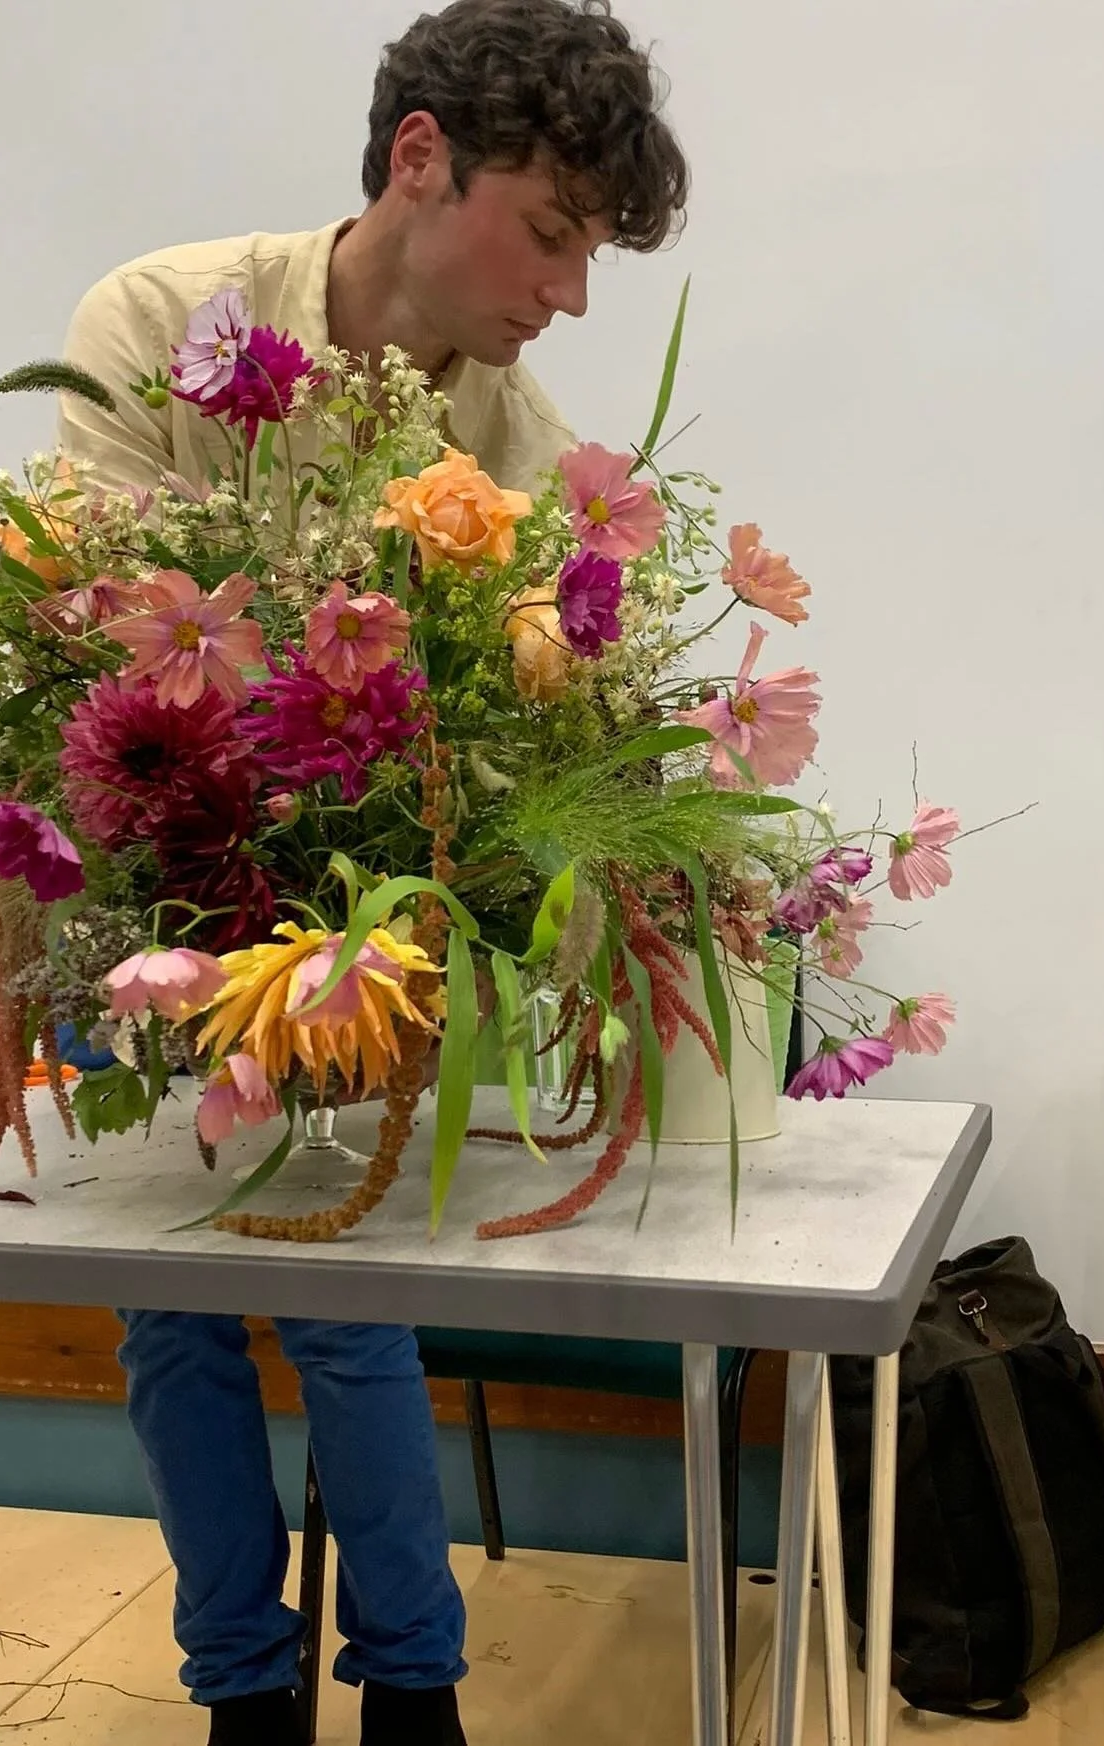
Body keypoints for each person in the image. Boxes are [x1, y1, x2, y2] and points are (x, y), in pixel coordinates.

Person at [55, 3, 687, 1741]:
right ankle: (240, 1688)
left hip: (354, 937)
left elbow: (551, 710)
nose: (565, 293)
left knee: (347, 1298)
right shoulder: (158, 324)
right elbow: (88, 642)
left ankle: (413, 1689)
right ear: (422, 158)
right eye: (550, 232)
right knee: (171, 1310)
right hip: (146, 906)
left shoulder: (504, 430)